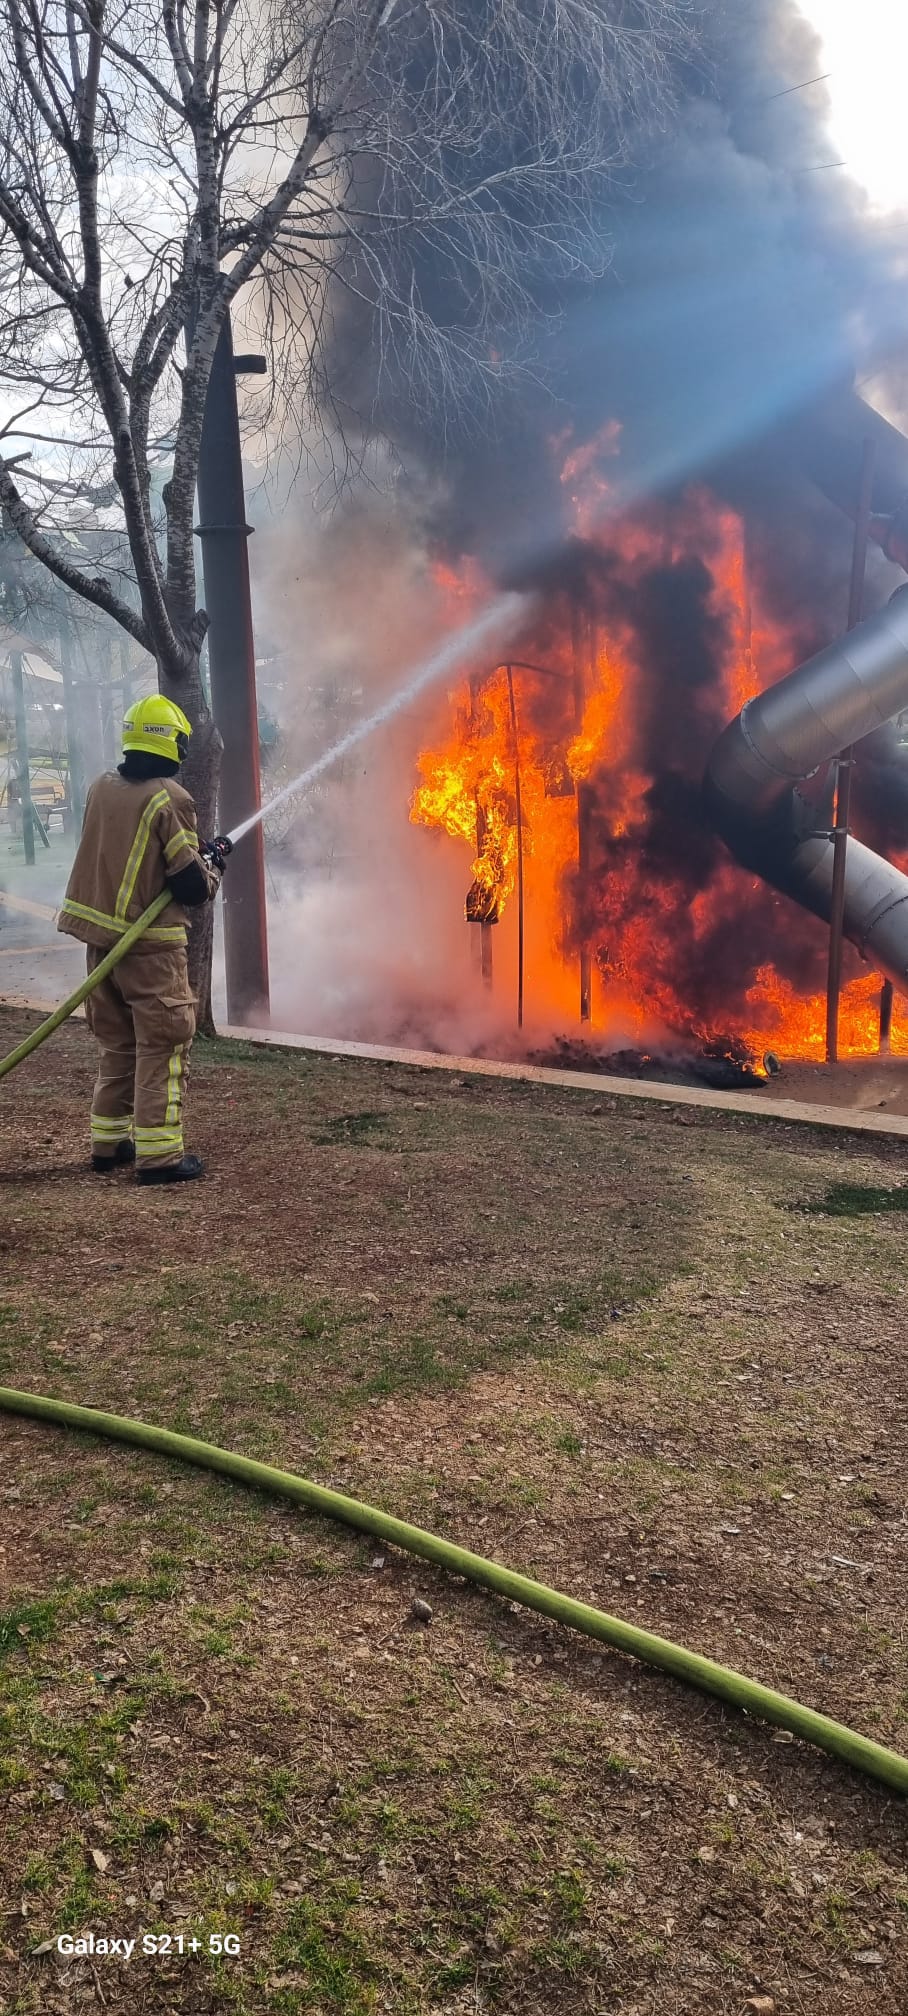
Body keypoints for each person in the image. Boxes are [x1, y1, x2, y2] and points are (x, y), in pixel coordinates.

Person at [57, 695, 229, 1186]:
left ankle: (108, 1145)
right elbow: (191, 887)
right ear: (170, 742)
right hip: (149, 946)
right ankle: (160, 1157)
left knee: (118, 1042)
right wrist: (212, 862)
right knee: (164, 1043)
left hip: (101, 941)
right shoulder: (168, 797)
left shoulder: (102, 787)